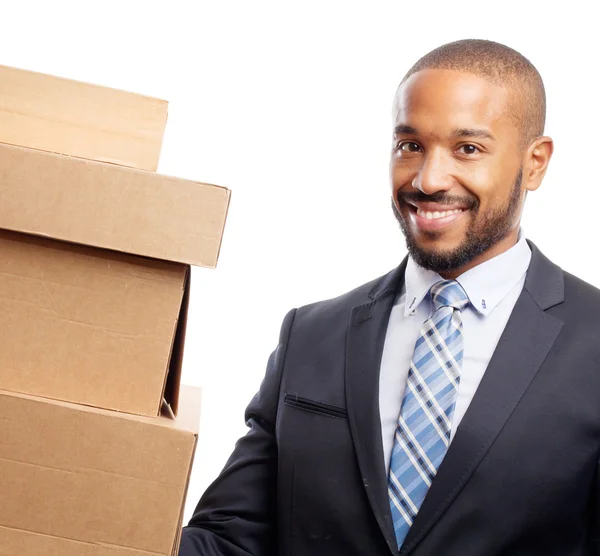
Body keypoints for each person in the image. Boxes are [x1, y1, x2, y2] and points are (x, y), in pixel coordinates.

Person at [179, 39, 600, 556]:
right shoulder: (311, 337)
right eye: (411, 145)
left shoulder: (594, 345)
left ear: (535, 163)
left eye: (467, 149)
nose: (428, 179)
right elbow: (230, 541)